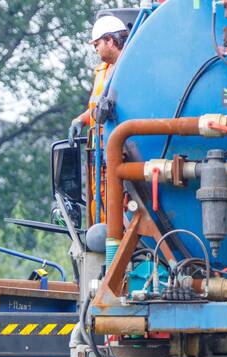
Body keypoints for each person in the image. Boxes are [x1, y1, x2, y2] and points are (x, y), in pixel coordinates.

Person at [69, 14, 129, 224]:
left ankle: (112, 241)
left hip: (119, 149)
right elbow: (95, 108)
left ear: (110, 41)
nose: (95, 49)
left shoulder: (129, 67)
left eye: (97, 44)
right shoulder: (102, 71)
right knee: (99, 199)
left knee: (116, 199)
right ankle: (101, 237)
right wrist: (80, 120)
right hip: (99, 149)